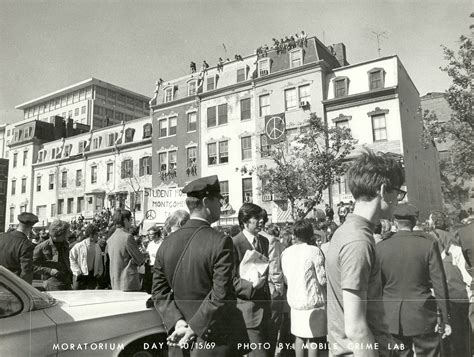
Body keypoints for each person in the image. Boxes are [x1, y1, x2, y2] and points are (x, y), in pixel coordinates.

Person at [152, 175, 248, 356]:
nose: (221, 205)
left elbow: (158, 291)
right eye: (219, 200)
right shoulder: (221, 241)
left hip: (179, 341)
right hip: (214, 341)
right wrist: (194, 328)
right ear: (206, 202)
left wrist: (178, 322)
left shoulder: (167, 242)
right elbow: (221, 293)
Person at [326, 149, 404, 356]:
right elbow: (356, 329)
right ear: (383, 189)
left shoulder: (345, 232)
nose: (399, 199)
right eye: (398, 192)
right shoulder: (358, 241)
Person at [377, 204, 451, 357]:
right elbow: (439, 284)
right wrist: (445, 316)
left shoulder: (381, 247)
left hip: (392, 318)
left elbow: (377, 286)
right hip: (423, 314)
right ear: (415, 221)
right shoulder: (428, 244)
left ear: (395, 222)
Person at [281, 219, 327, 357]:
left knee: (299, 337)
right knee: (313, 338)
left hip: (295, 300)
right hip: (313, 300)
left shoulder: (286, 252)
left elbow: (285, 278)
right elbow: (322, 279)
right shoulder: (314, 251)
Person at [429, 210, 471, 357]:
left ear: (433, 222)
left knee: (445, 336)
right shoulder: (453, 238)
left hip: (440, 293)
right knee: (462, 335)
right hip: (459, 293)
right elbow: (464, 268)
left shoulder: (429, 238)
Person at [232, 203, 271, 357]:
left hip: (265, 310)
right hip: (247, 312)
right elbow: (231, 280)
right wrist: (252, 286)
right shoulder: (234, 243)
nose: (261, 221)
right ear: (244, 221)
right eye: (256, 218)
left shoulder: (264, 241)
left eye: (262, 217)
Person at [260, 219, 285, 357]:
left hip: (255, 289)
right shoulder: (271, 240)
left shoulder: (249, 237)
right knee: (273, 326)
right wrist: (278, 288)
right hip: (270, 288)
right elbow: (274, 268)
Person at [106, 208, 145, 291]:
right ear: (124, 220)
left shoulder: (110, 239)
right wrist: (142, 256)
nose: (131, 221)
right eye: (130, 219)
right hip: (128, 282)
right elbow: (139, 259)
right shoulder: (127, 237)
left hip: (115, 281)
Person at [33, 219, 73, 291]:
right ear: (60, 233)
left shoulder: (66, 244)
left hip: (67, 281)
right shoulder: (42, 247)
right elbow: (32, 266)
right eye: (67, 232)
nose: (69, 234)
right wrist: (50, 270)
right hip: (52, 282)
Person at [0, 212, 37, 284]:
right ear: (31, 228)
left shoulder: (2, 237)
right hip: (11, 286)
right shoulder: (26, 244)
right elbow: (26, 272)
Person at [69, 223, 103, 290]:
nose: (98, 236)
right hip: (80, 276)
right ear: (91, 235)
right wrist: (77, 271)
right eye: (96, 234)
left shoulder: (97, 247)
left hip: (92, 276)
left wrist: (99, 272)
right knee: (77, 297)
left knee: (90, 297)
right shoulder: (78, 246)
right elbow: (71, 258)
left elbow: (99, 261)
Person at [143, 225, 163, 294]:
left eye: (151, 234)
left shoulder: (162, 243)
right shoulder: (150, 244)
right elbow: (148, 253)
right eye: (149, 234)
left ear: (156, 234)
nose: (149, 236)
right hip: (150, 266)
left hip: (158, 266)